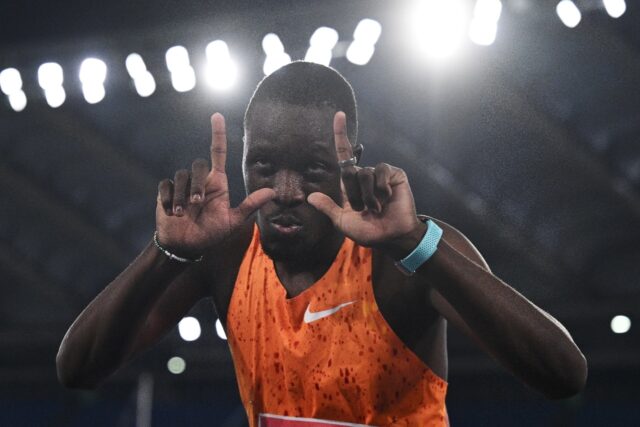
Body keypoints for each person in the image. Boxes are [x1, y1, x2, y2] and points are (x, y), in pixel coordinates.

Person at [57, 61, 587, 426]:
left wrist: (417, 243)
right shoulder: (224, 252)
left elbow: (564, 374)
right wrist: (165, 251)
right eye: (264, 165)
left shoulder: (403, 256)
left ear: (348, 161)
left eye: (312, 168)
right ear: (242, 159)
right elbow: (77, 369)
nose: (286, 191)